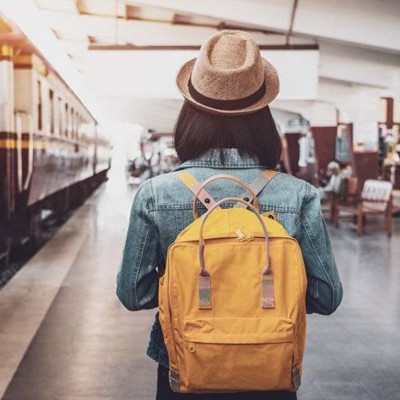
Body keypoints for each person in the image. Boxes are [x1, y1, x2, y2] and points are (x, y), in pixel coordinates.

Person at [117, 30, 343, 399]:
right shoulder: (298, 195)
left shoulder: (156, 194)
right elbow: (326, 296)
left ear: (189, 115)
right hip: (269, 366)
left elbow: (133, 293)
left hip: (184, 367)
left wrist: (186, 292)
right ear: (263, 117)